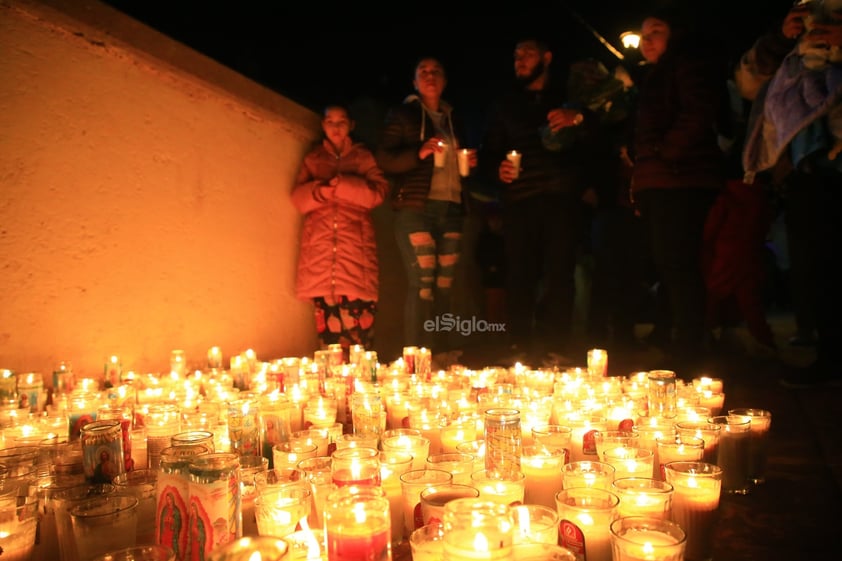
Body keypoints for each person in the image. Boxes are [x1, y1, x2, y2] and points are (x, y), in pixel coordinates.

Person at [479, 37, 600, 363]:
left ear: (547, 57)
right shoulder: (505, 104)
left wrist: (579, 119)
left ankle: (556, 347)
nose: (520, 59)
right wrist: (497, 168)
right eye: (516, 54)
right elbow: (488, 152)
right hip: (520, 200)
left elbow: (595, 143)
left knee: (560, 275)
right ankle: (518, 346)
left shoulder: (570, 98)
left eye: (528, 53)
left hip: (562, 199)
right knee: (519, 274)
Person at [743, 0, 842, 387]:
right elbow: (751, 83)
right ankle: (831, 357)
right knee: (817, 268)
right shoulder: (793, 54)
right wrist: (778, 39)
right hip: (806, 169)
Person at [629, 9, 729, 370]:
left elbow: (698, 111)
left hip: (682, 178)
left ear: (676, 36)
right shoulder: (653, 76)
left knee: (679, 263)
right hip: (662, 179)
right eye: (644, 33)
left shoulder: (684, 65)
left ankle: (689, 347)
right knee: (669, 262)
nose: (648, 38)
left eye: (657, 30)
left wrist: (664, 153)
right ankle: (680, 340)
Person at [375, 56, 477, 355]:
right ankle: (416, 360)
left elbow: (461, 164)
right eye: (423, 71)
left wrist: (469, 163)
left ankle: (441, 355)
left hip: (452, 208)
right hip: (417, 210)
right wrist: (418, 153)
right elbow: (385, 159)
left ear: (444, 81)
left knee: (445, 285)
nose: (430, 76)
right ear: (415, 82)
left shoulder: (453, 119)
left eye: (436, 71)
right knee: (422, 283)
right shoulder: (404, 115)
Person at [291, 104, 389, 361]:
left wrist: (343, 186)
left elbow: (378, 192)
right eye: (330, 121)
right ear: (323, 125)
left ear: (351, 125)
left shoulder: (362, 157)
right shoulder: (314, 159)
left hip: (355, 258)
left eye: (342, 121)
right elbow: (298, 199)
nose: (336, 127)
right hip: (321, 261)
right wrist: (321, 191)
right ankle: (330, 394)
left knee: (359, 343)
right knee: (329, 346)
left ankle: (362, 395)